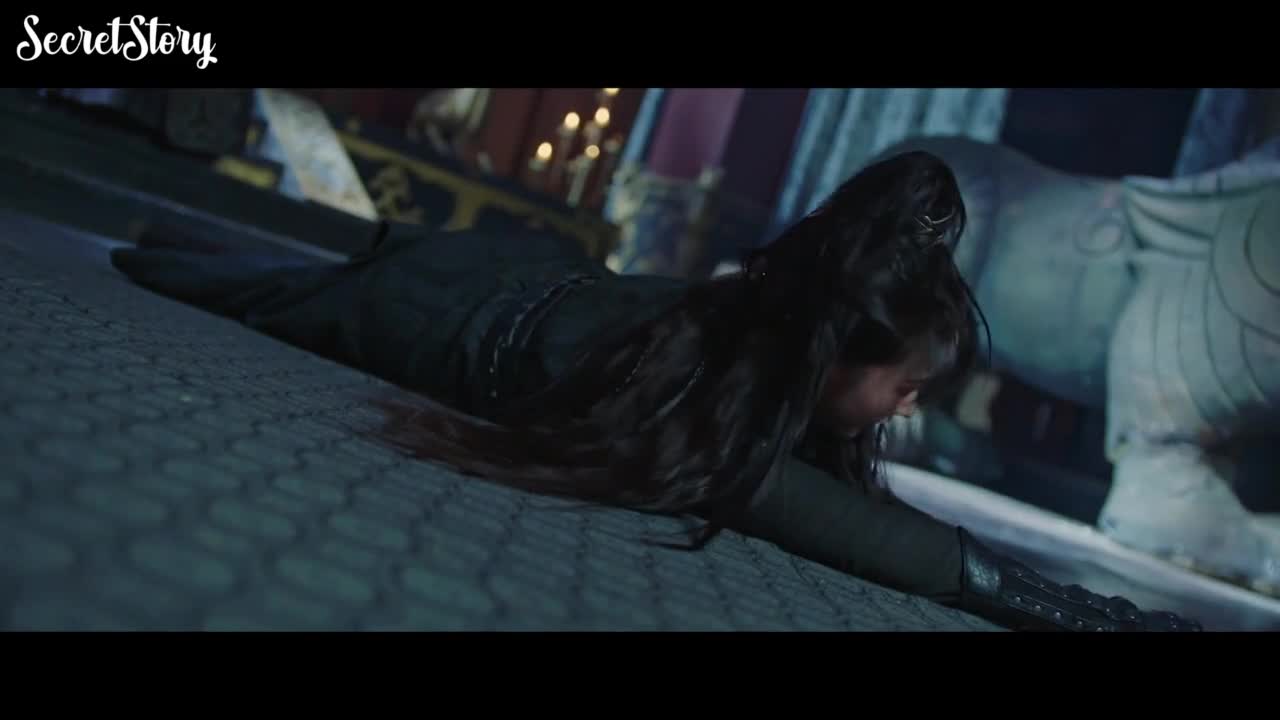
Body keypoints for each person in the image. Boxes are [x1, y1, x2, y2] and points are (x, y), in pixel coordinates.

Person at [110, 151, 1201, 632]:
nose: (908, 406)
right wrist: (1066, 609)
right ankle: (157, 232)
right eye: (905, 384)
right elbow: (838, 525)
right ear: (838, 354)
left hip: (536, 286)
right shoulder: (713, 396)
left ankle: (183, 234)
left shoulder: (762, 355)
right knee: (249, 285)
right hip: (452, 308)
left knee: (275, 268)